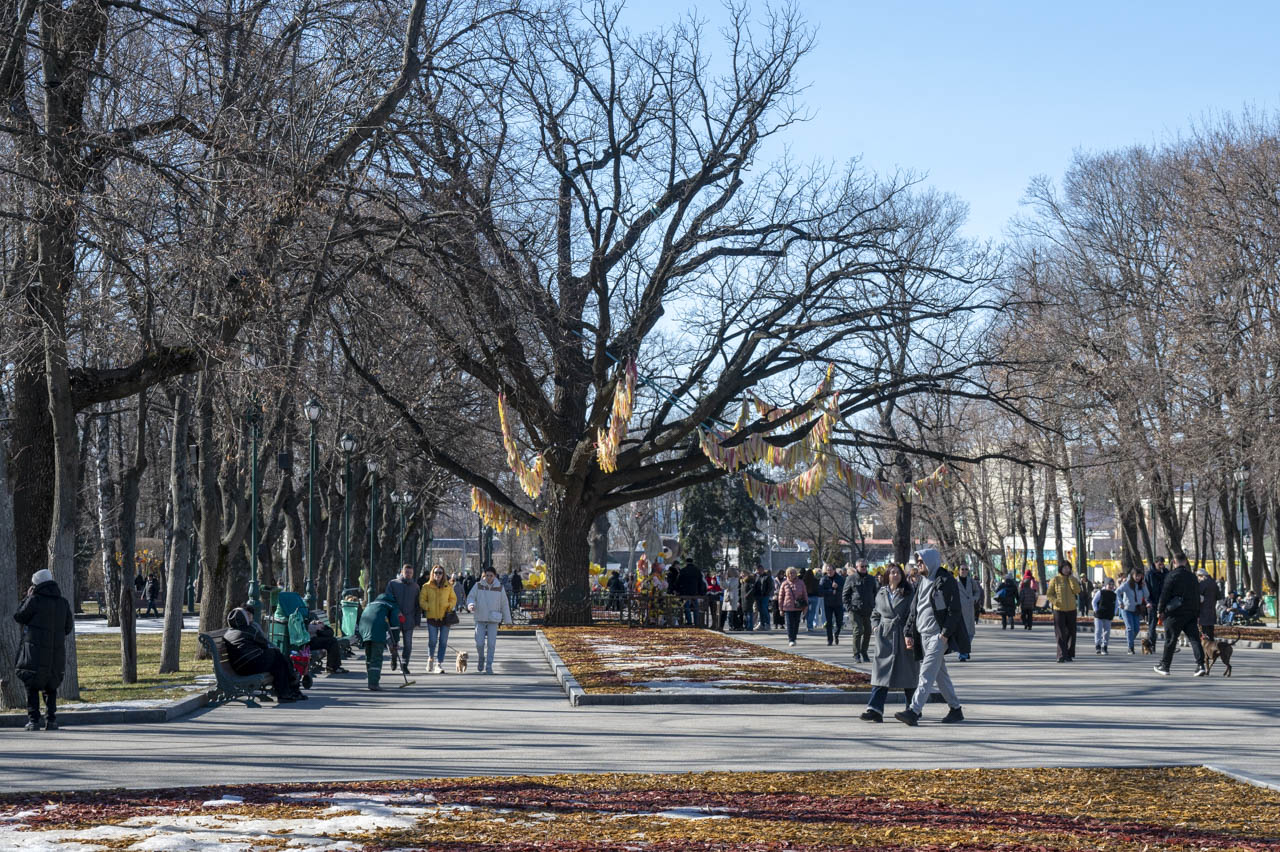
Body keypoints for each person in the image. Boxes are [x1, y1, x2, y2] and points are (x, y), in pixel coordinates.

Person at [895, 549, 964, 726]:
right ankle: (955, 709)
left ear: (930, 561)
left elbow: (954, 610)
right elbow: (914, 609)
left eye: (921, 562)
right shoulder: (922, 581)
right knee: (941, 676)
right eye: (917, 562)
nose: (919, 565)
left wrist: (945, 634)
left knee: (925, 674)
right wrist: (909, 632)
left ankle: (914, 711)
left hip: (937, 637)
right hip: (923, 635)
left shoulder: (945, 580)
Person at [14, 569, 75, 730]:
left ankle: (34, 720)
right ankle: (51, 720)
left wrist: (27, 597)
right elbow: (68, 627)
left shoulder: (34, 600)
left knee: (32, 684)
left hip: (34, 651)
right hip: (55, 652)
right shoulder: (63, 602)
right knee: (51, 685)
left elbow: (19, 616)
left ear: (36, 585)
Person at [860, 563, 917, 722]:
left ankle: (913, 709)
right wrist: (875, 626)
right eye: (892, 572)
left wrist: (909, 633)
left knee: (908, 674)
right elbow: (875, 613)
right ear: (887, 576)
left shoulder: (908, 593)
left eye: (898, 572)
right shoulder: (882, 592)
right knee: (881, 673)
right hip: (884, 637)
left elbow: (913, 615)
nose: (895, 575)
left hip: (903, 635)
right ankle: (875, 709)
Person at [224, 606, 306, 702]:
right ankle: (289, 689)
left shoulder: (228, 633)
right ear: (244, 618)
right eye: (247, 615)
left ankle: (288, 691)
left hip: (241, 667)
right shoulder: (249, 630)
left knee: (277, 660)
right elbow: (264, 644)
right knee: (278, 657)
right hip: (252, 664)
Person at [1154, 555, 1207, 677]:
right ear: (1186, 562)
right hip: (1191, 613)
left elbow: (1165, 594)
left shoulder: (1172, 575)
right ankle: (1200, 665)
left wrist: (1160, 610)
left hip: (1174, 613)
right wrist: (1197, 612)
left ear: (1174, 562)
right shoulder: (1193, 577)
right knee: (1194, 639)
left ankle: (1165, 666)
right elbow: (1197, 596)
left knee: (1171, 640)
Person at [467, 565, 513, 673]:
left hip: (493, 618)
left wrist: (508, 621)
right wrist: (471, 605)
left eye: (491, 575)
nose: (489, 577)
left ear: (495, 576)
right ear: (484, 575)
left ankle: (489, 666)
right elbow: (471, 597)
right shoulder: (478, 585)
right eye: (487, 575)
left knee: (491, 644)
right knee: (479, 643)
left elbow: (504, 604)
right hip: (480, 617)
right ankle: (481, 658)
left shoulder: (499, 588)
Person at [357, 592, 402, 690]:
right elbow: (394, 625)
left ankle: (371, 681)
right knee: (376, 657)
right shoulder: (392, 605)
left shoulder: (372, 603)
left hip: (364, 629)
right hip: (377, 630)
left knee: (369, 656)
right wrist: (396, 641)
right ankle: (374, 683)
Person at [418, 564, 458, 674]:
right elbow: (422, 600)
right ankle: (430, 658)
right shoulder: (426, 586)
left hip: (445, 618)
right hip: (432, 618)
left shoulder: (448, 586)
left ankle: (439, 663)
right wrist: (428, 607)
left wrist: (449, 606)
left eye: (440, 573)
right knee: (433, 641)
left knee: (443, 642)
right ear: (432, 574)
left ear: (443, 574)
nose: (438, 575)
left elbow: (453, 599)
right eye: (436, 572)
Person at [385, 564, 420, 673]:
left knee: (408, 644)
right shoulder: (393, 583)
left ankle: (404, 664)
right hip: (395, 618)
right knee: (392, 641)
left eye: (410, 572)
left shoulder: (415, 587)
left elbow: (417, 605)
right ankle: (394, 657)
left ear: (412, 573)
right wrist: (396, 611)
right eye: (406, 572)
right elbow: (388, 599)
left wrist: (417, 621)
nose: (408, 574)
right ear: (402, 572)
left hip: (409, 620)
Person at [843, 559, 878, 663]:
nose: (864, 568)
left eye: (866, 566)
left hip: (868, 609)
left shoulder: (871, 579)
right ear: (857, 567)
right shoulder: (851, 578)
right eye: (862, 566)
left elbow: (875, 593)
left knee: (867, 631)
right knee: (858, 630)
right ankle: (856, 654)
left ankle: (864, 651)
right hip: (855, 609)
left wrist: (874, 606)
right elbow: (845, 595)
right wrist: (849, 607)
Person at [1047, 562, 1082, 663]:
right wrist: (1056, 602)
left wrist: (1071, 579)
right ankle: (1061, 654)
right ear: (1061, 569)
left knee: (1071, 633)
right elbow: (1049, 594)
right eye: (1064, 568)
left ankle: (1069, 654)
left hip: (1071, 609)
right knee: (1060, 633)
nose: (1066, 570)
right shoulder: (1055, 580)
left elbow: (1077, 591)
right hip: (1059, 610)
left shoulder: (1073, 579)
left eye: (1068, 568)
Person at [1116, 569, 1149, 654]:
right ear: (1132, 575)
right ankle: (1130, 647)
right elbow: (1117, 592)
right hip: (1126, 609)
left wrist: (1144, 586)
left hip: (1136, 610)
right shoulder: (1127, 584)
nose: (1138, 577)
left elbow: (1146, 595)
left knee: (1137, 629)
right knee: (1130, 628)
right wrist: (1120, 603)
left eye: (1139, 576)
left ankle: (1129, 639)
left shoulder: (1141, 585)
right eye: (1136, 575)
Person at [776, 566, 808, 646]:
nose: (791, 574)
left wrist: (805, 607)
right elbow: (780, 597)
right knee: (789, 623)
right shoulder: (784, 584)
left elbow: (805, 595)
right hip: (788, 607)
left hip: (798, 607)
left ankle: (794, 636)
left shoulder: (801, 583)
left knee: (796, 623)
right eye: (790, 573)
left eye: (793, 573)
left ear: (796, 574)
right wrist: (780, 609)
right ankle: (791, 639)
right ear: (787, 574)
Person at [953, 564, 979, 661]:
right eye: (962, 569)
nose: (964, 571)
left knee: (970, 633)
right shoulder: (955, 581)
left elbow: (977, 592)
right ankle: (962, 654)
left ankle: (965, 650)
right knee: (960, 633)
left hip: (969, 609)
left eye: (966, 569)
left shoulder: (971, 581)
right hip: (958, 610)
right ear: (959, 570)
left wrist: (974, 599)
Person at [818, 562, 845, 645]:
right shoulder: (824, 579)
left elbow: (845, 589)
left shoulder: (840, 578)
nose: (829, 572)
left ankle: (836, 634)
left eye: (830, 570)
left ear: (834, 570)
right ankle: (830, 640)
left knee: (839, 622)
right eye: (827, 570)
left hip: (838, 603)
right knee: (829, 623)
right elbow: (820, 591)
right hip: (828, 604)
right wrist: (830, 591)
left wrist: (838, 587)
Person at [1145, 557, 1169, 645]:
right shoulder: (1149, 574)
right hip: (1153, 603)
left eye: (1163, 564)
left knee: (1168, 625)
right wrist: (1148, 601)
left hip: (1165, 603)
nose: (1161, 566)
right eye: (1160, 564)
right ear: (1155, 563)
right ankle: (1151, 644)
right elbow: (1146, 589)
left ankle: (1169, 644)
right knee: (1152, 625)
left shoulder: (1166, 573)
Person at [1091, 577, 1117, 655]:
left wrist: (1114, 613)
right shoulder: (1100, 592)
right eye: (1109, 584)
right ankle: (1098, 645)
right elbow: (1094, 602)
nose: (1111, 586)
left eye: (1112, 584)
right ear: (1105, 585)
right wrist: (1096, 610)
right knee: (1098, 630)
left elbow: (1116, 605)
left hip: (1108, 615)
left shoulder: (1114, 594)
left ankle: (1104, 646)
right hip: (1099, 615)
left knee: (1107, 632)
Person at [1196, 568, 1218, 640]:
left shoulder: (1203, 583)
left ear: (1201, 575)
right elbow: (1219, 596)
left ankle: (1206, 648)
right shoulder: (1214, 583)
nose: (1198, 579)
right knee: (1211, 630)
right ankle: (1212, 647)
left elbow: (1199, 597)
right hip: (1212, 609)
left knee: (1204, 632)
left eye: (1198, 577)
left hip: (1203, 610)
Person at [750, 564, 773, 632]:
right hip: (757, 596)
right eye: (757, 570)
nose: (758, 571)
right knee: (760, 610)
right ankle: (762, 624)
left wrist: (766, 593)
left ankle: (767, 624)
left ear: (762, 569)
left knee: (764, 608)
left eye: (759, 569)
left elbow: (770, 586)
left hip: (764, 596)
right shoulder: (756, 577)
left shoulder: (767, 577)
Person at [802, 566, 822, 632]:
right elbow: (818, 588)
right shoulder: (816, 580)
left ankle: (808, 625)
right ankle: (810, 626)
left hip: (807, 597)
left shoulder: (804, 580)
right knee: (813, 612)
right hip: (815, 597)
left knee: (807, 612)